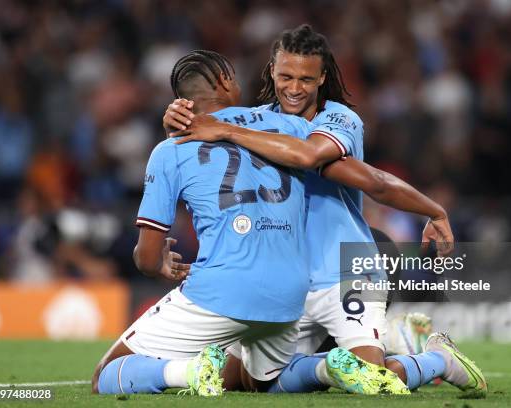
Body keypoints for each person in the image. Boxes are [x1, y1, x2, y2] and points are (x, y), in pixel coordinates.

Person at [163, 25, 486, 395]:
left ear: (322, 78)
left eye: (305, 78)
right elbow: (201, 141)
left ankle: (437, 358)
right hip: (285, 280)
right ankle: (370, 348)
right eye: (285, 76)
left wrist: (434, 211)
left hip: (344, 272)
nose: (294, 88)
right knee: (247, 383)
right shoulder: (259, 121)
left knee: (371, 383)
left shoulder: (339, 119)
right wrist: (175, 115)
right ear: (271, 71)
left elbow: (325, 161)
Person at [92, 50, 406, 397]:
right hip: (291, 294)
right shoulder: (292, 127)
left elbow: (147, 260)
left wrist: (159, 261)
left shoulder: (170, 149)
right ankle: (326, 366)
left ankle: (188, 371)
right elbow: (369, 179)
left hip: (223, 290)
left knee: (106, 375)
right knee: (262, 382)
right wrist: (435, 211)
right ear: (226, 82)